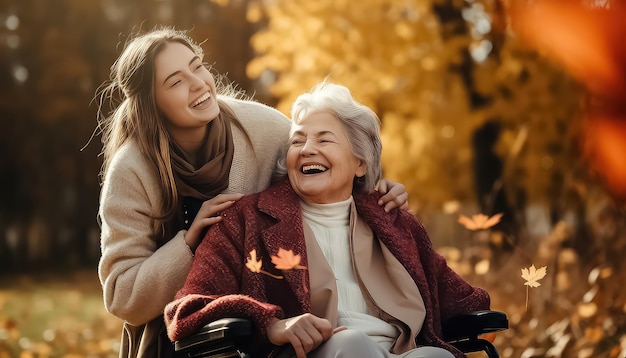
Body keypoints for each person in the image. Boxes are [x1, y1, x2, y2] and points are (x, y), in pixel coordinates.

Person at [95, 27, 409, 358]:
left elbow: (327, 166)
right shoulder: (132, 170)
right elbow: (122, 296)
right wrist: (188, 243)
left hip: (273, 318)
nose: (199, 83)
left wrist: (373, 188)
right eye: (175, 81)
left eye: (197, 66)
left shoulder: (261, 129)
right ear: (151, 103)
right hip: (182, 333)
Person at [164, 82, 490, 358]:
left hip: (401, 352)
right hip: (320, 352)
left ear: (360, 163)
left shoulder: (394, 223)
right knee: (350, 343)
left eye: (323, 139)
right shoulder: (246, 220)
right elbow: (187, 310)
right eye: (297, 140)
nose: (307, 149)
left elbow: (469, 303)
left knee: (435, 355)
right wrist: (271, 324)